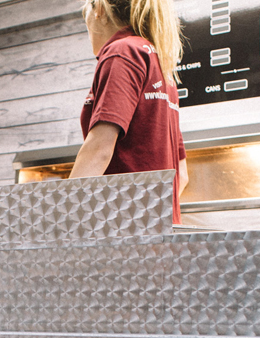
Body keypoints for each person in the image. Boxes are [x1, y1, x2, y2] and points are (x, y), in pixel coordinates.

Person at [69, 0, 189, 222]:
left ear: (100, 11)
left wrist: (62, 214)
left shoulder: (122, 52)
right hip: (159, 234)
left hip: (123, 234)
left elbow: (99, 149)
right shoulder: (162, 69)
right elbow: (181, 173)